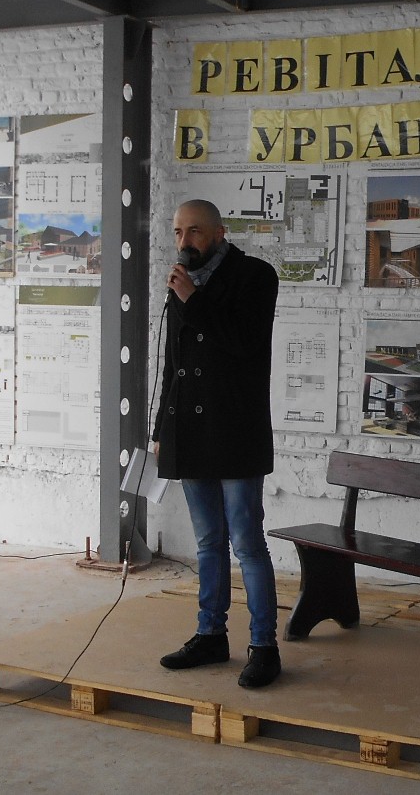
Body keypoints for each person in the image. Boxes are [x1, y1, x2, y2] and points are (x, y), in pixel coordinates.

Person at [153, 199, 281, 688]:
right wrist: (161, 430)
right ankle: (210, 635)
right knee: (207, 542)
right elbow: (173, 365)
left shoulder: (255, 276)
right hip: (190, 432)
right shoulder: (182, 285)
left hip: (237, 430)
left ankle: (264, 646)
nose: (184, 242)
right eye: (178, 232)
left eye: (195, 232)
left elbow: (244, 342)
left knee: (247, 542)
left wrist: (193, 299)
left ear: (220, 232)